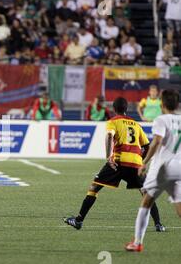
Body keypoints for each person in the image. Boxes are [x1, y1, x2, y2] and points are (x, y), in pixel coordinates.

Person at [64, 97, 165, 232]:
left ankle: (78, 220)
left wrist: (108, 157)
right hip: (135, 163)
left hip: (117, 162)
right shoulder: (136, 124)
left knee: (94, 187)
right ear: (126, 109)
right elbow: (147, 146)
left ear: (114, 109)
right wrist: (141, 161)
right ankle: (158, 224)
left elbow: (109, 136)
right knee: (146, 193)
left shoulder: (113, 122)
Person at [126, 89, 181, 252]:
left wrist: (144, 162)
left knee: (146, 202)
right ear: (177, 104)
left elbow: (156, 141)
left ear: (162, 104)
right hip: (179, 168)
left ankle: (137, 242)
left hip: (162, 169)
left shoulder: (161, 119)